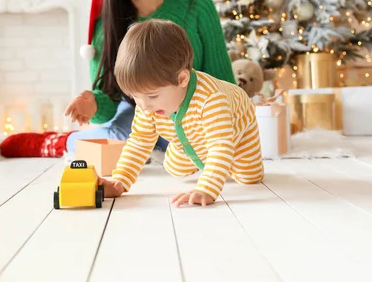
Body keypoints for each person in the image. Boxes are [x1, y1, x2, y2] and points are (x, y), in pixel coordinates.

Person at [0, 0, 235, 158]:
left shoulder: (196, 2)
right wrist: (93, 104)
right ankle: (56, 143)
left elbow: (220, 73)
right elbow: (109, 100)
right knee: (120, 139)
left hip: (196, 108)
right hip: (141, 112)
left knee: (189, 144)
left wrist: (228, 115)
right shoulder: (107, 27)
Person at [99, 19, 264, 207]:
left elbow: (220, 145)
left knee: (249, 176)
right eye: (135, 96)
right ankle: (198, 155)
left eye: (152, 96)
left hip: (236, 127)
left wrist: (206, 189)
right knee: (174, 169)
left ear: (182, 79)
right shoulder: (147, 104)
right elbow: (139, 142)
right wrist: (120, 181)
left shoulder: (211, 100)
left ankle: (218, 164)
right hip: (190, 136)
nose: (143, 106)